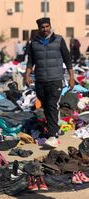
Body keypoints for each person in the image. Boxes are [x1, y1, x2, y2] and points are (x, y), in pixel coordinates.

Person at [25, 17, 74, 148]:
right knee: (46, 106)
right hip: (40, 80)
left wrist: (71, 77)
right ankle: (55, 127)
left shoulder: (59, 40)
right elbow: (30, 61)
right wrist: (27, 75)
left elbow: (67, 59)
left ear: (50, 26)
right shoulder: (34, 43)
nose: (45, 29)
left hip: (55, 79)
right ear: (39, 29)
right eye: (42, 27)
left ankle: (52, 136)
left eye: (47, 26)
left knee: (52, 105)